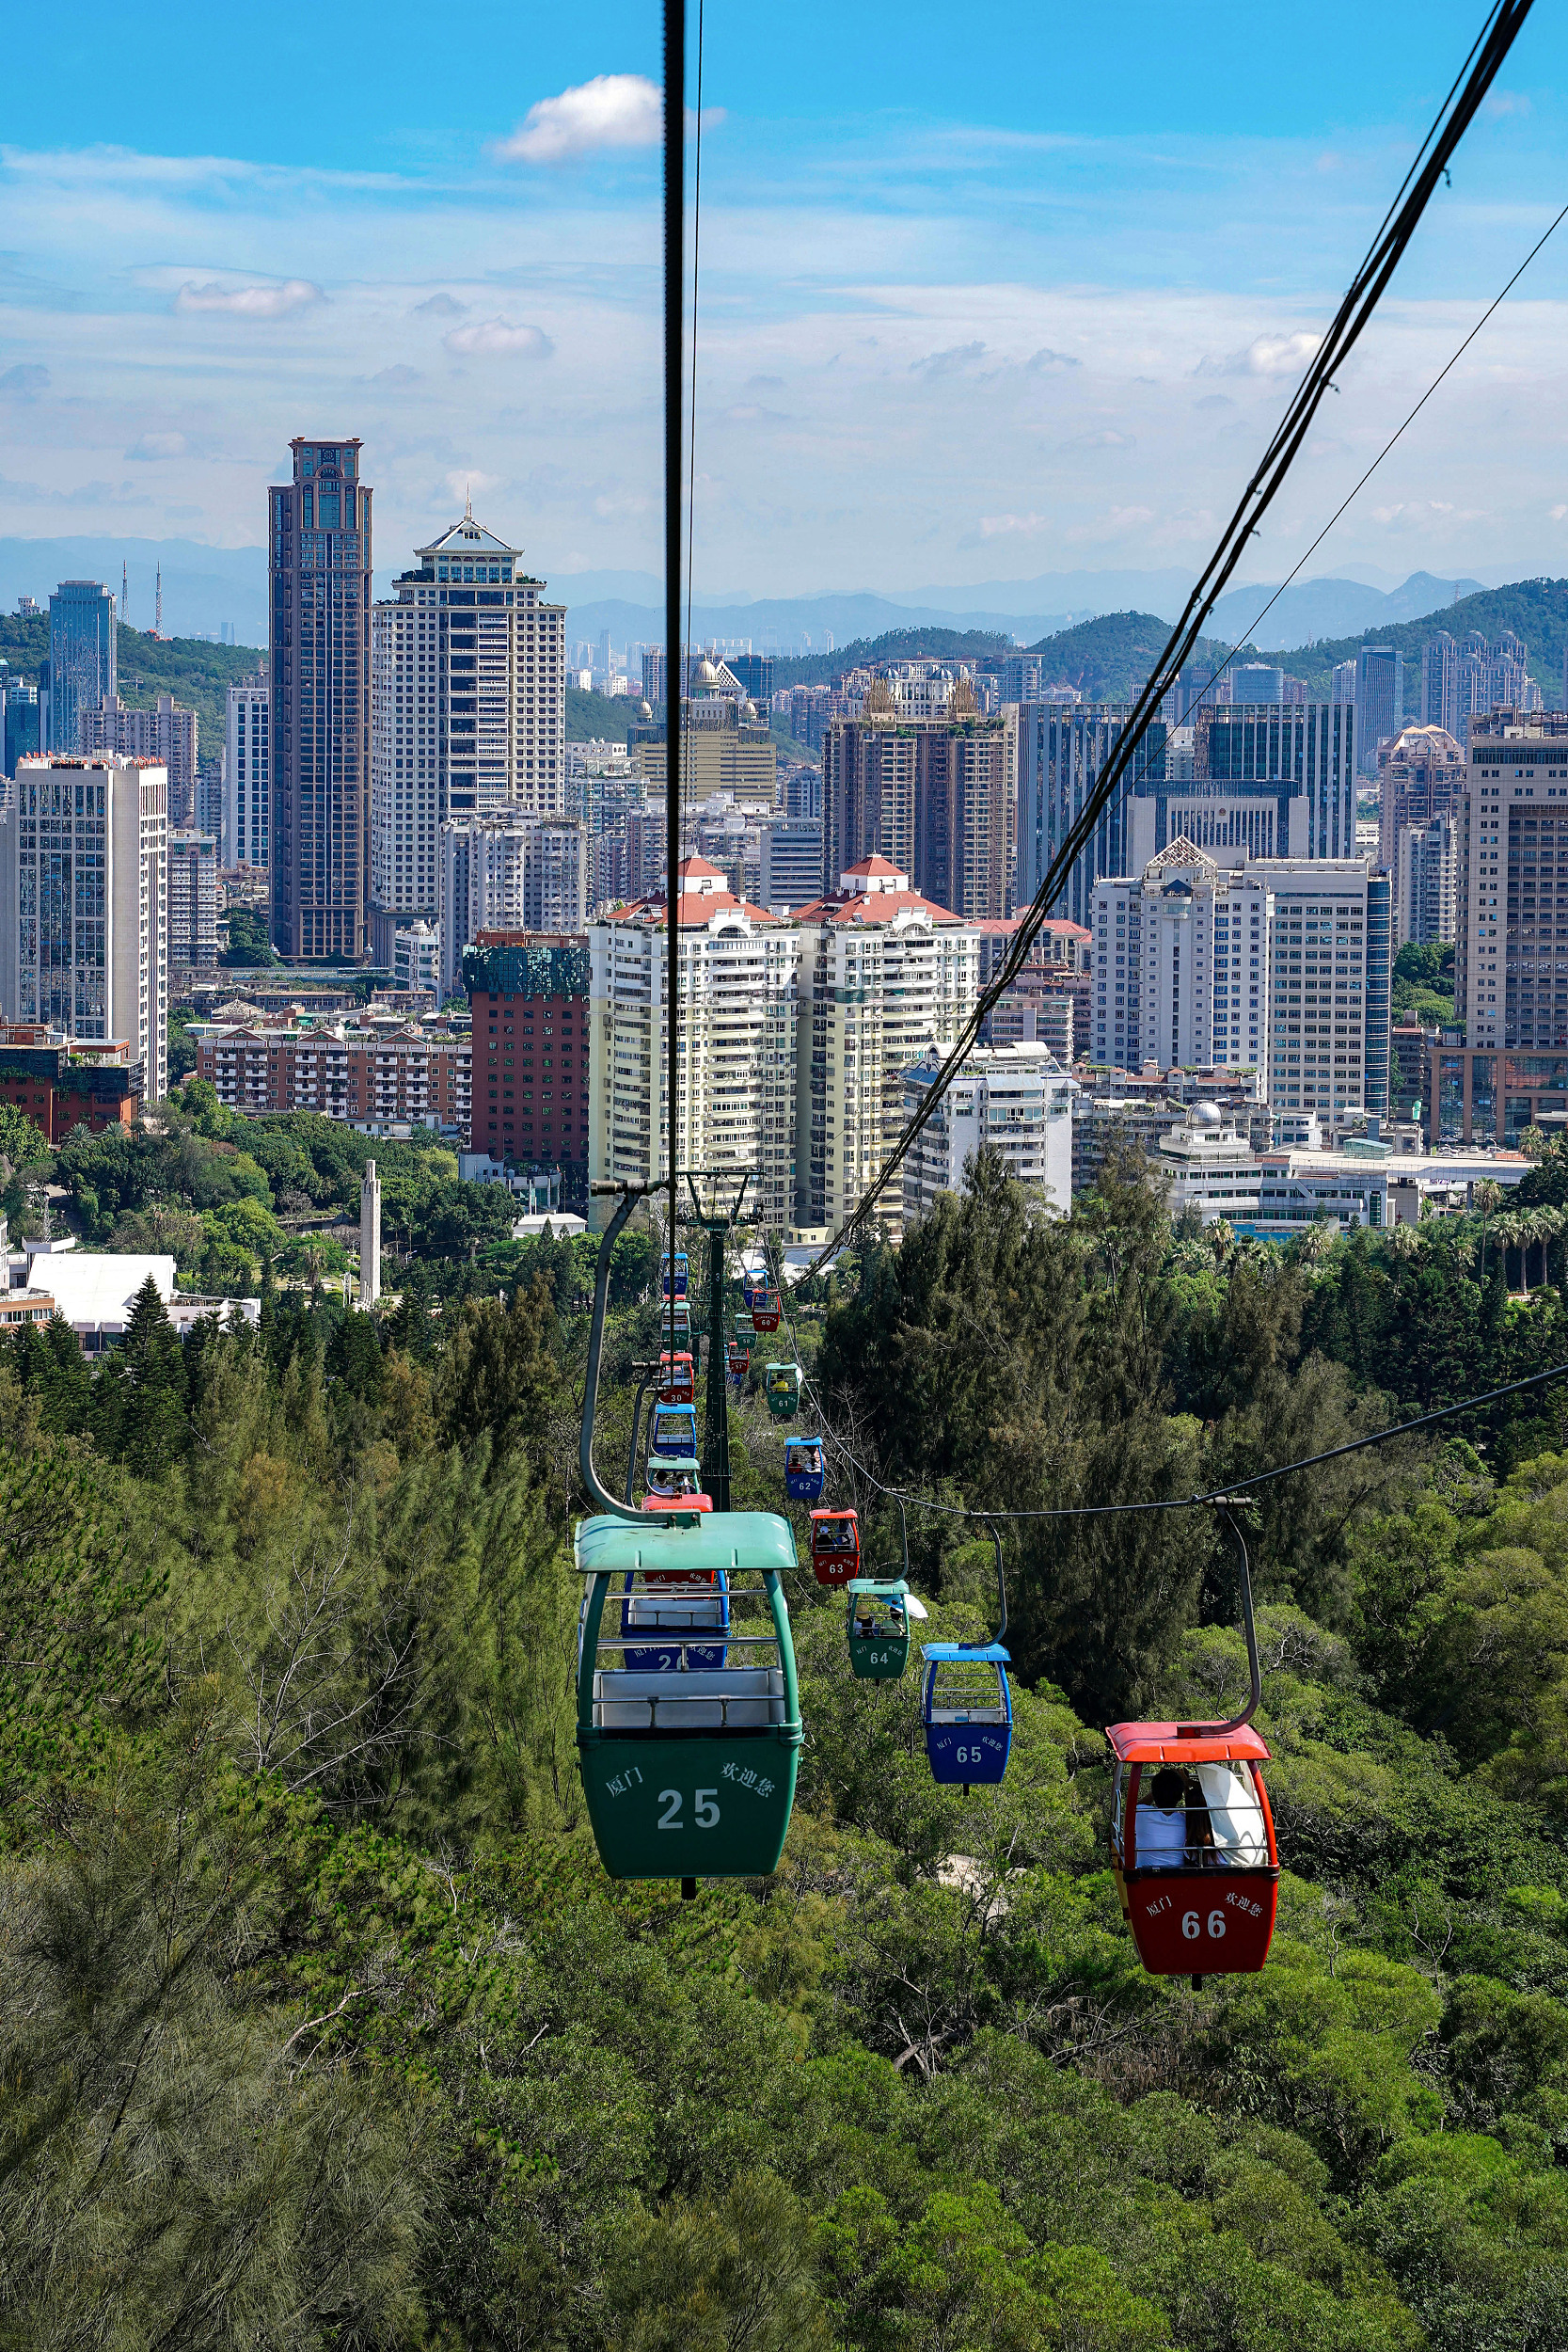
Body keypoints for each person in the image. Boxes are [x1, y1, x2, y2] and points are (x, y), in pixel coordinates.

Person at [1136, 1768, 1192, 1869]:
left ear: (1155, 1793)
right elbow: (1194, 1810)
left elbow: (1137, 1806)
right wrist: (1185, 1785)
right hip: (1176, 1876)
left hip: (1146, 1877)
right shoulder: (1185, 1819)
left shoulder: (1141, 1814)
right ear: (1180, 1797)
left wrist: (1161, 1784)